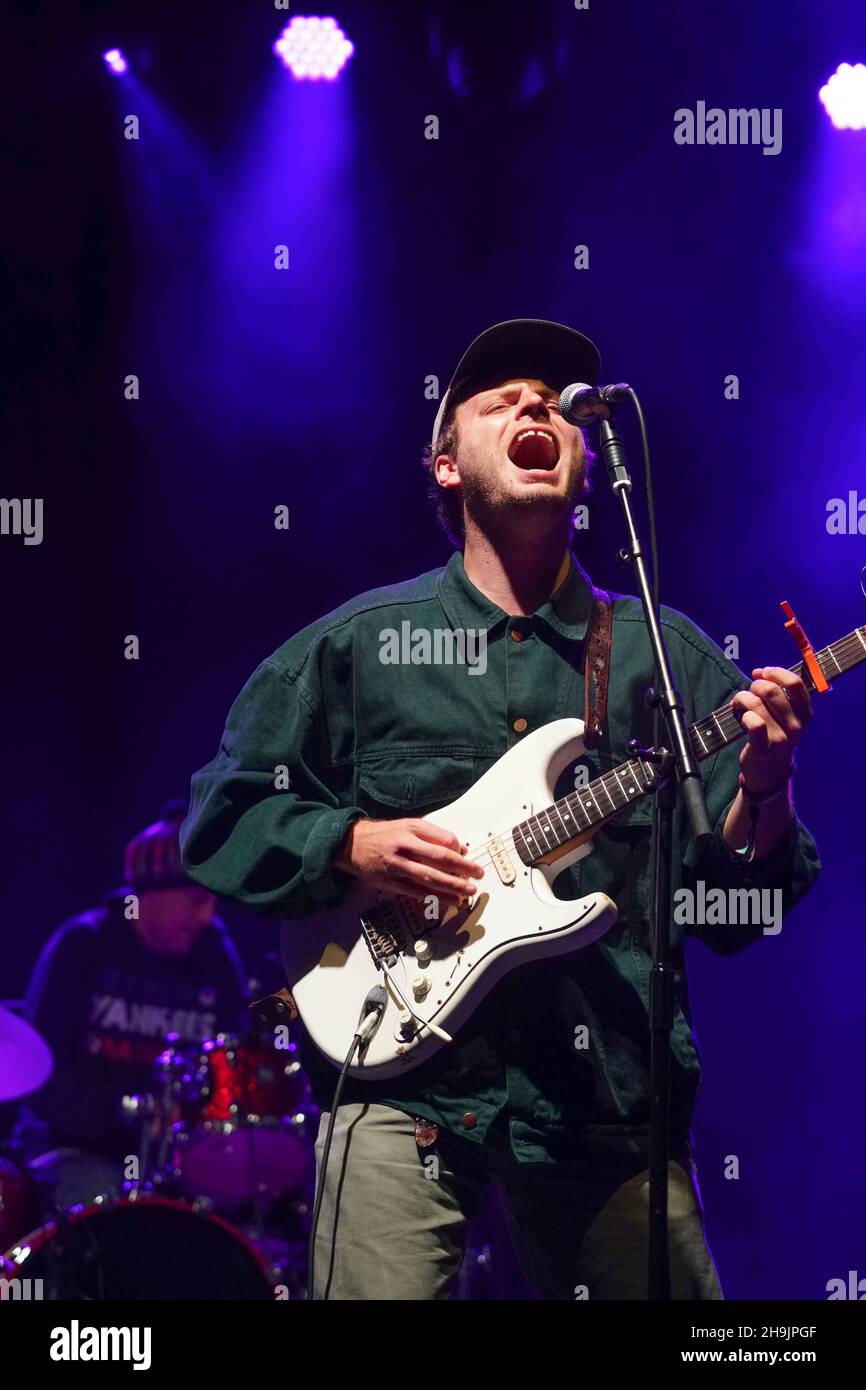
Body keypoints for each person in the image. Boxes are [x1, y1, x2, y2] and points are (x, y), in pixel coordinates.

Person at [180, 319, 820, 1300]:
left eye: (555, 404)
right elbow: (220, 821)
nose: (534, 406)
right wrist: (346, 840)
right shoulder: (356, 646)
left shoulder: (665, 654)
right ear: (443, 464)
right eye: (499, 400)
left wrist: (766, 786)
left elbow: (741, 911)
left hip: (602, 1100)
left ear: (583, 462)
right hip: (398, 1084)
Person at [20, 801, 248, 1202]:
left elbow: (235, 1064)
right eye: (196, 899)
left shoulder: (216, 956)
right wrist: (131, 1113)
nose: (208, 914)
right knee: (100, 1192)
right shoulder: (83, 946)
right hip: (74, 1152)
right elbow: (38, 1074)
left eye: (213, 900)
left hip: (175, 1162)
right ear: (148, 895)